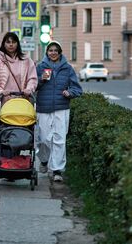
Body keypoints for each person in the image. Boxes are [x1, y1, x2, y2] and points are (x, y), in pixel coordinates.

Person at [35, 41, 83, 183]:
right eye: (51, 50)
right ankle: (44, 160)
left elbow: (77, 89)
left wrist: (69, 92)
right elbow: (32, 86)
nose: (53, 53)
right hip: (43, 107)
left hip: (62, 108)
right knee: (43, 139)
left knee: (59, 139)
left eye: (56, 50)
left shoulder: (67, 68)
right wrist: (41, 80)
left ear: (60, 52)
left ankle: (57, 170)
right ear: (47, 52)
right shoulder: (40, 67)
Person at [0, 31, 38, 111]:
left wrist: (29, 89)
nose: (11, 44)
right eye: (8, 42)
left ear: (17, 44)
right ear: (4, 44)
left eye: (13, 42)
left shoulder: (27, 60)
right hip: (3, 102)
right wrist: (1, 91)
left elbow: (32, 78)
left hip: (22, 101)